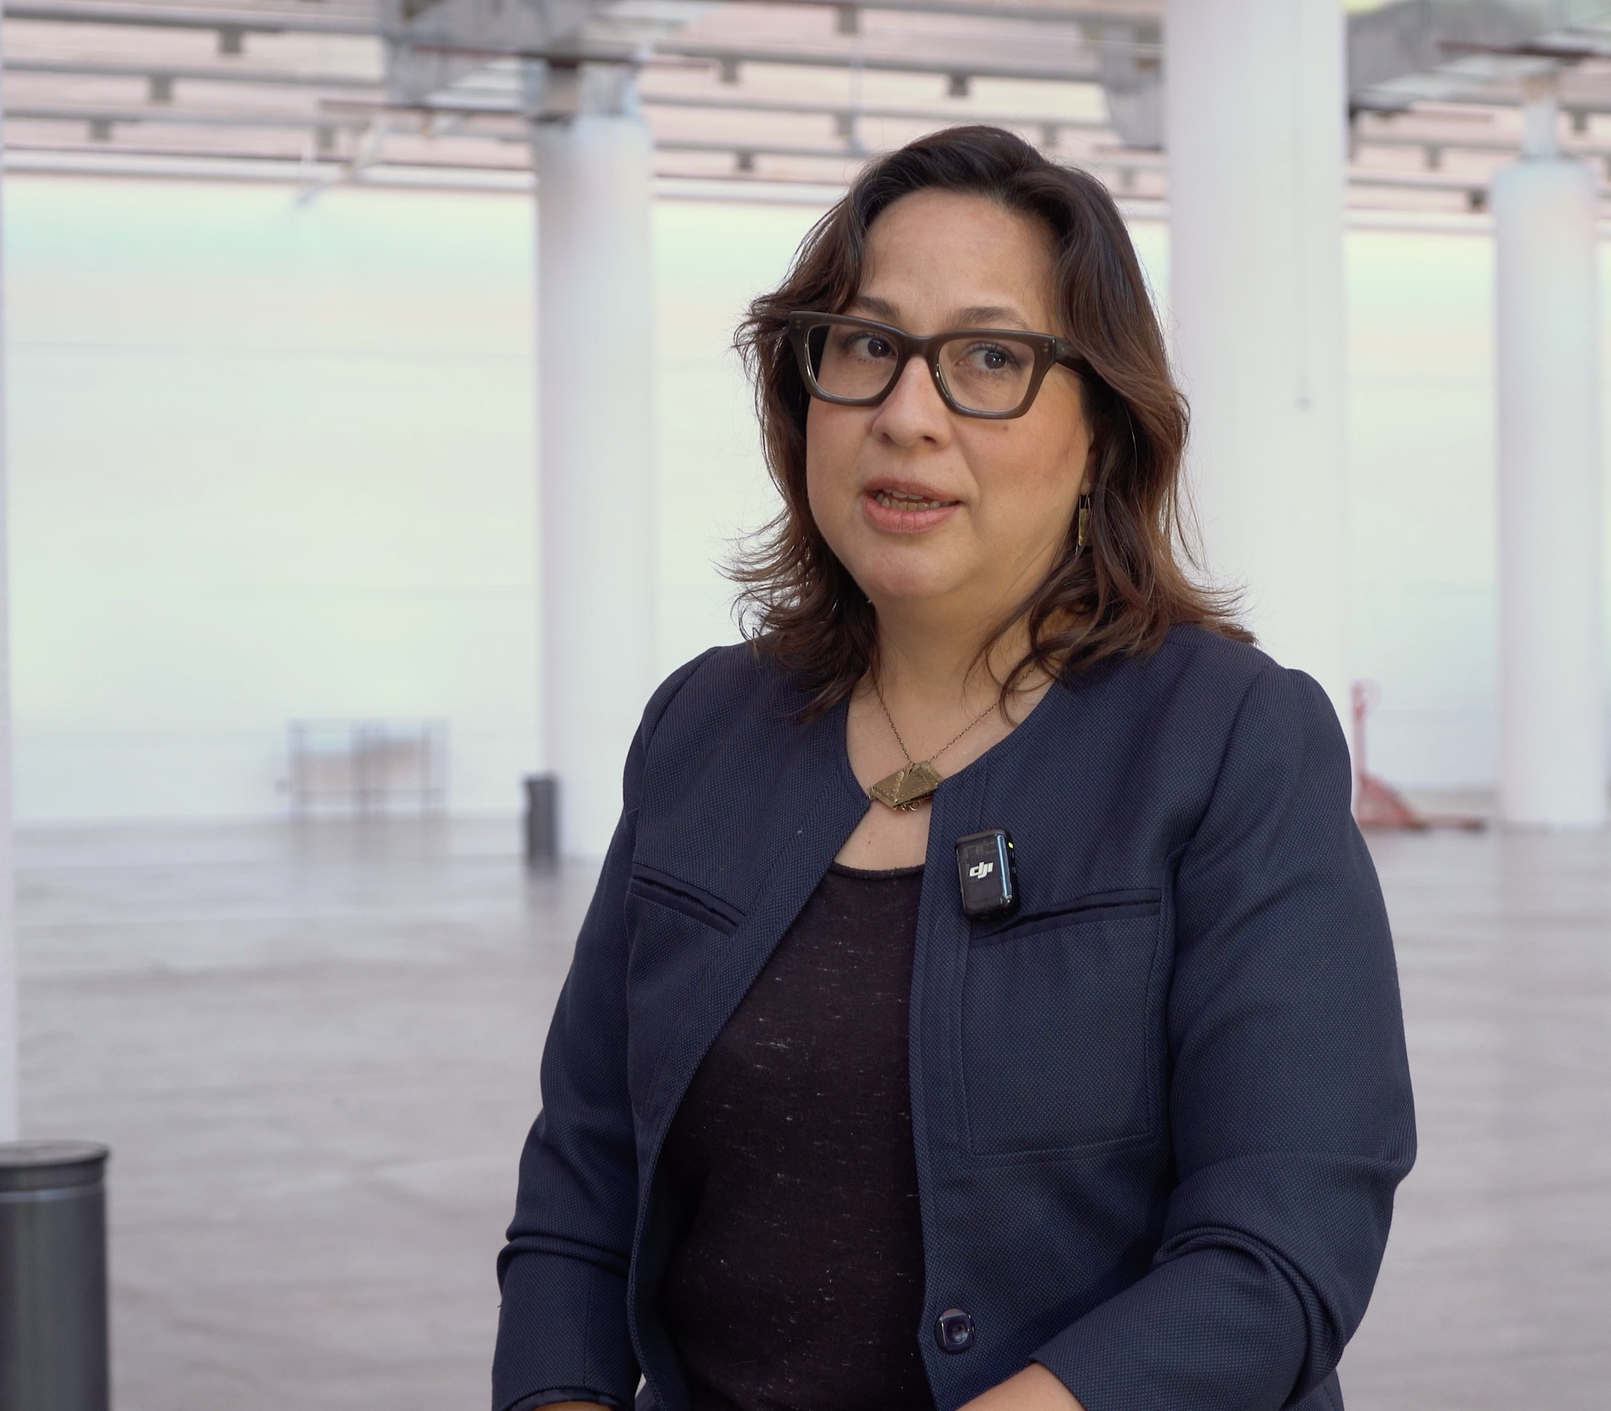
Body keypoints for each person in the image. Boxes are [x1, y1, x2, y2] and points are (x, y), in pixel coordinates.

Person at [491, 125, 1415, 1411]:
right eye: (866, 346)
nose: (907, 415)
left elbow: (1282, 1249)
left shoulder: (1228, 743)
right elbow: (583, 1185)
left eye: (991, 358)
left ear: (1102, 431)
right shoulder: (703, 725)